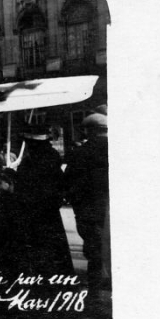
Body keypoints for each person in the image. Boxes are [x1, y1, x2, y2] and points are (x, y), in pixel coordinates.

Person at [13, 124, 74, 276]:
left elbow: (22, 187)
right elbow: (61, 186)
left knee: (39, 254)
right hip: (50, 215)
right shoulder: (51, 158)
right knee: (54, 254)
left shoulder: (32, 162)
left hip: (35, 215)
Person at [64, 111, 109, 307]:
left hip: (88, 212)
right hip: (108, 209)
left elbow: (68, 184)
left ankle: (95, 294)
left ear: (89, 131)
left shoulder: (79, 154)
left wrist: (78, 207)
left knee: (94, 253)